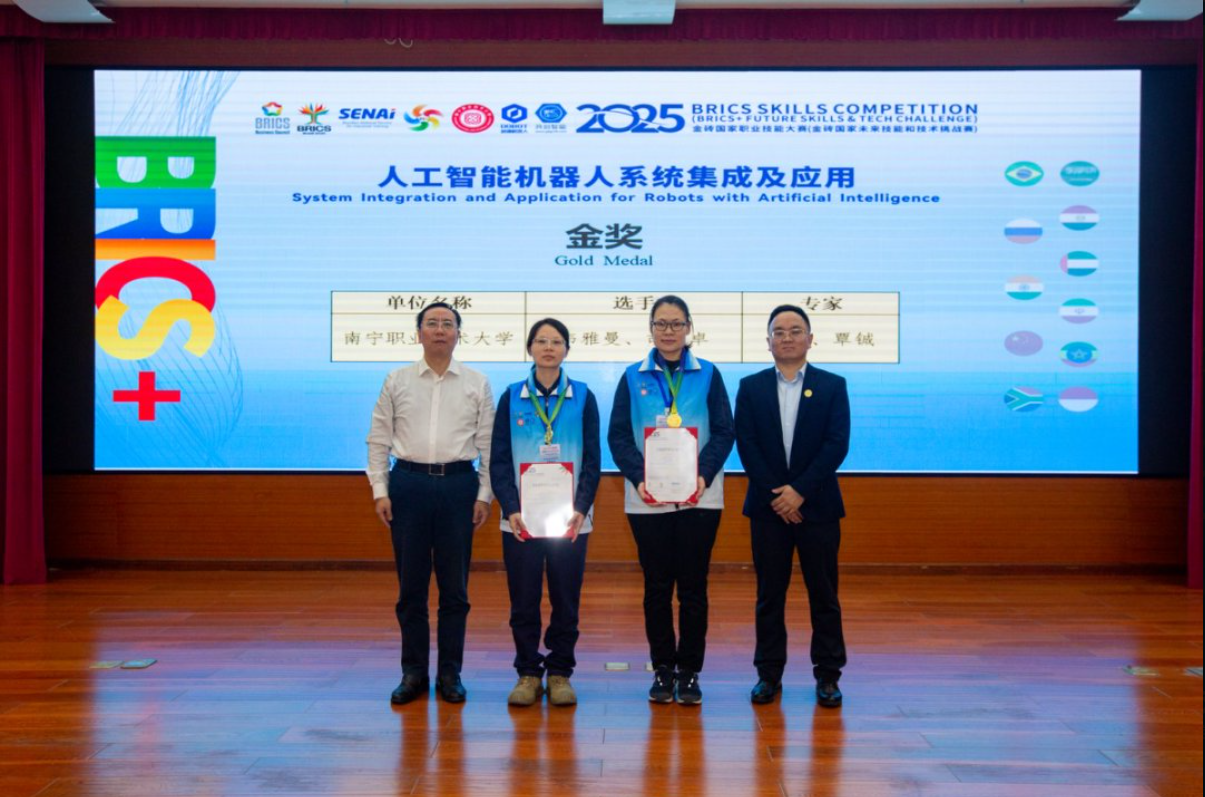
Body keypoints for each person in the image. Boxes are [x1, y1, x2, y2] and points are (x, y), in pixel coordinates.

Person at [607, 295, 735, 706]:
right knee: (657, 587)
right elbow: (618, 437)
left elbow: (724, 431)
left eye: (676, 323)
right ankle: (663, 669)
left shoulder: (709, 373)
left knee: (694, 588)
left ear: (689, 327)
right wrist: (640, 478)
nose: (668, 331)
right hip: (648, 499)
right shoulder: (632, 376)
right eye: (660, 323)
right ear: (650, 328)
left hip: (700, 498)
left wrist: (703, 475)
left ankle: (690, 672)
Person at [366, 302, 494, 705]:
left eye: (448, 324)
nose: (440, 330)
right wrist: (380, 489)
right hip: (408, 485)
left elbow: (489, 446)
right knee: (411, 589)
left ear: (459, 334)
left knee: (455, 590)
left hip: (458, 487)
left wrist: (484, 495)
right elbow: (378, 439)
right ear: (418, 332)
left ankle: (450, 673)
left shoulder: (477, 383)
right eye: (432, 323)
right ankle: (414, 672)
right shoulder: (397, 380)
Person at [734, 304, 850, 708]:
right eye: (779, 332)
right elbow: (747, 445)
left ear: (810, 339)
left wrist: (799, 491)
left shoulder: (832, 385)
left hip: (818, 507)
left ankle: (828, 675)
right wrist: (778, 496)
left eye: (795, 330)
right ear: (768, 342)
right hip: (768, 510)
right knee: (769, 595)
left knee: (824, 594)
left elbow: (836, 444)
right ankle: (768, 675)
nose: (787, 337)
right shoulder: (751, 387)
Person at [489, 318, 601, 707]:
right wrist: (511, 508)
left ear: (567, 349)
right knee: (523, 599)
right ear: (530, 348)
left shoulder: (583, 396)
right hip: (520, 520)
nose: (549, 348)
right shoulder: (511, 397)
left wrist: (581, 508)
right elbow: (498, 459)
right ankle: (527, 672)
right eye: (541, 341)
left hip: (570, 521)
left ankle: (559, 672)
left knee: (566, 599)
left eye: (556, 341)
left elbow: (592, 460)